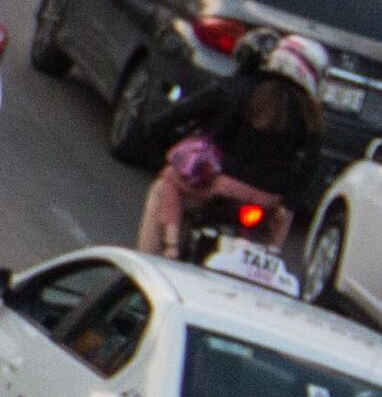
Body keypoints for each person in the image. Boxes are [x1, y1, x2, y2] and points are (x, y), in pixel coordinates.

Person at [138, 36, 330, 262]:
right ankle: (268, 258)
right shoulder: (311, 114)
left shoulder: (239, 87)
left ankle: (160, 255)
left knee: (166, 183)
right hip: (270, 201)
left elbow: (174, 118)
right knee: (282, 219)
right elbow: (311, 165)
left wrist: (156, 135)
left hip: (221, 186)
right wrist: (287, 203)